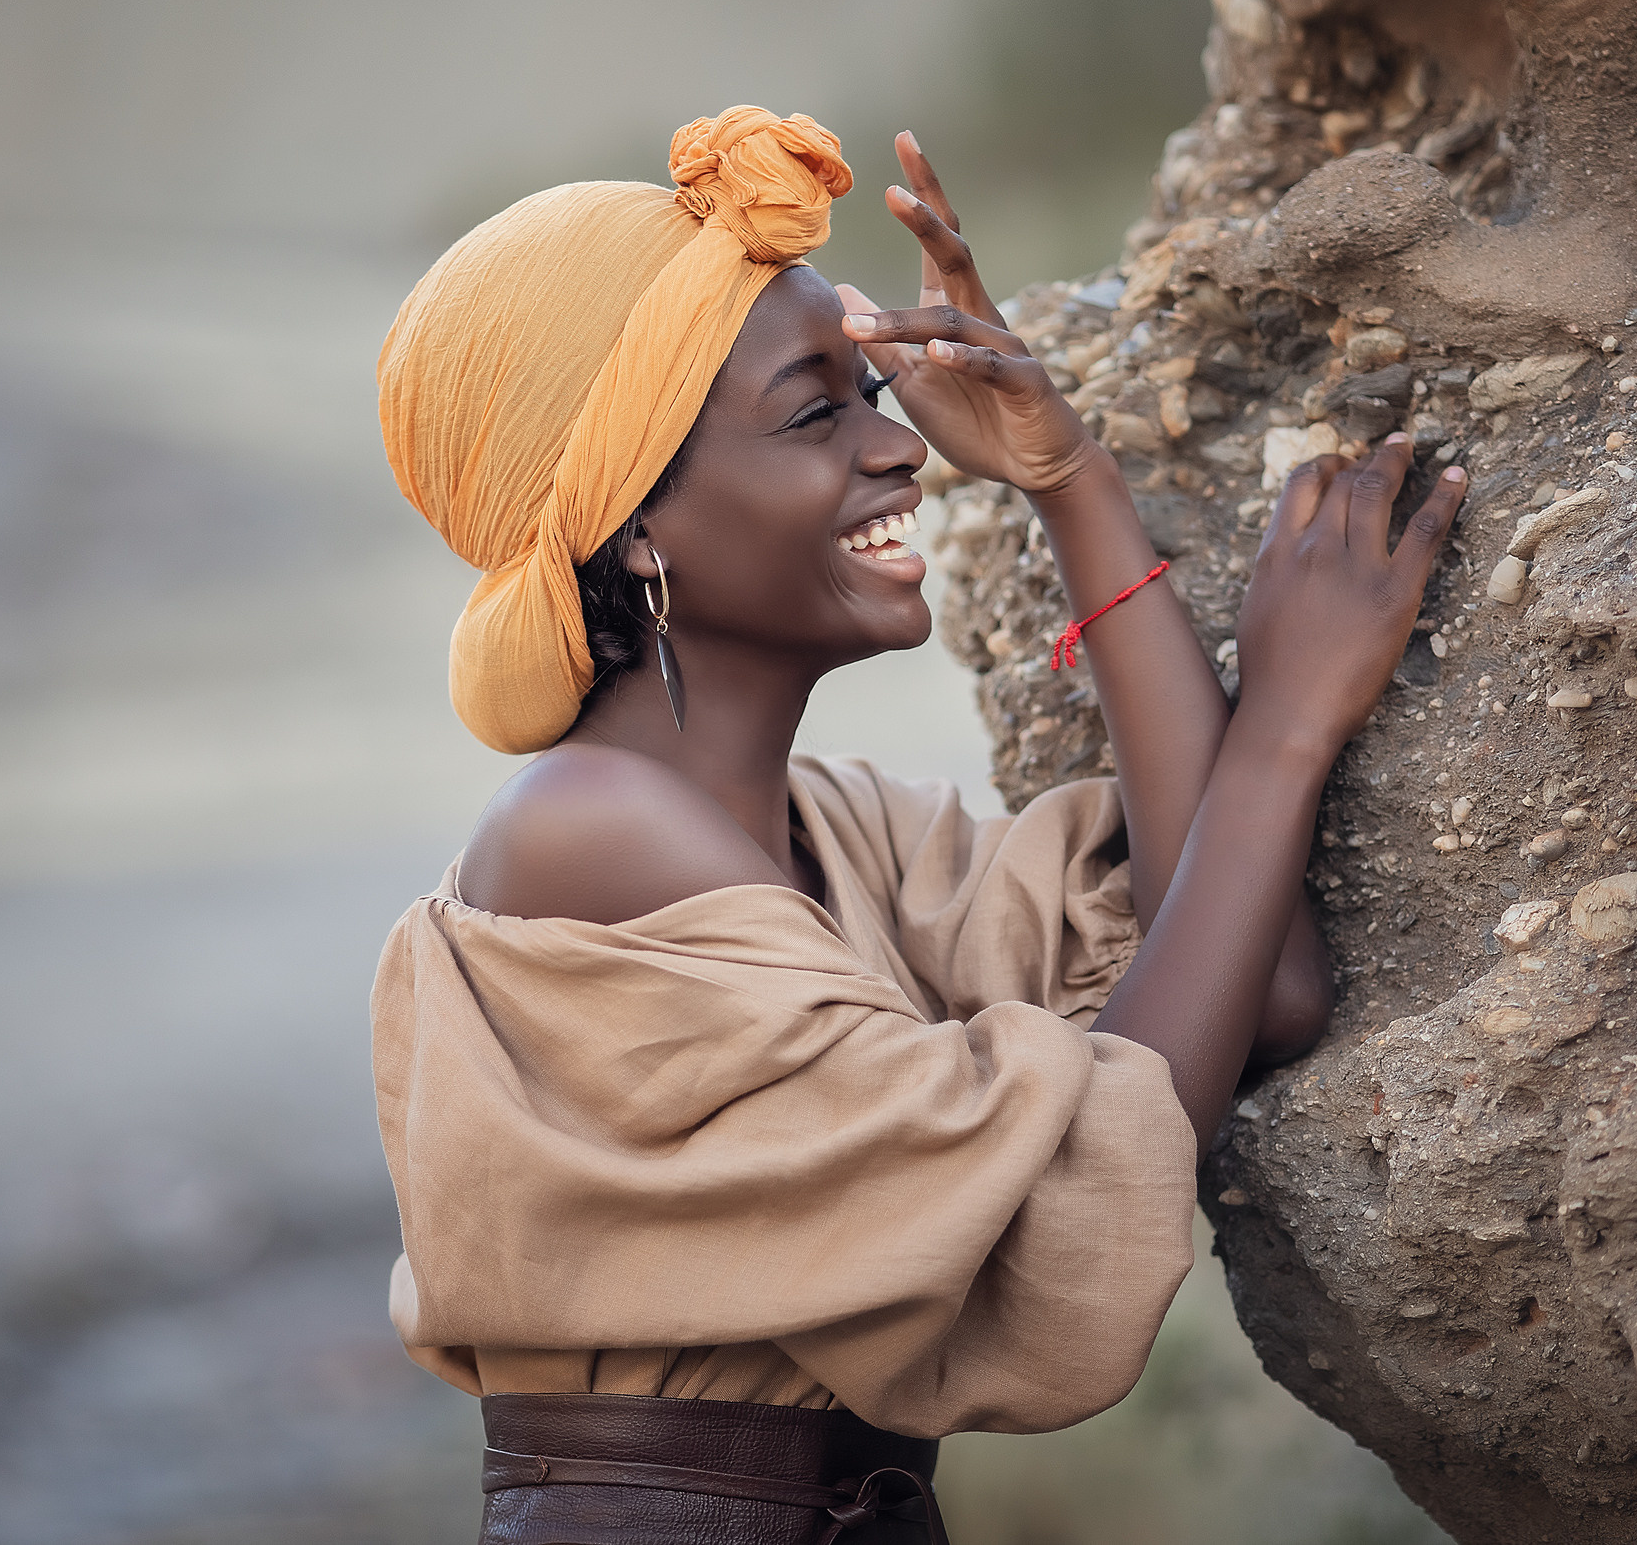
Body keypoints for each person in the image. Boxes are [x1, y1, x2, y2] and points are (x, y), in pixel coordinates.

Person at [372, 107, 1465, 1544]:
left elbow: (1256, 981)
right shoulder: (595, 835)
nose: (901, 452)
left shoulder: (835, 837)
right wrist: (1284, 727)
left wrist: (1068, 480)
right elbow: (1078, 1170)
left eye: (871, 390)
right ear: (636, 527)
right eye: (818, 410)